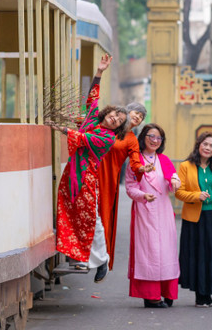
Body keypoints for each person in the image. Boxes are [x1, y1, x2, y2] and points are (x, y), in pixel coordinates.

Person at [52, 54, 129, 273]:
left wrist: (61, 129)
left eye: (119, 122)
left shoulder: (107, 138)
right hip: (72, 174)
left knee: (88, 217)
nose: (115, 119)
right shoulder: (94, 119)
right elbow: (92, 98)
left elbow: (84, 139)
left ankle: (96, 258)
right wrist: (100, 72)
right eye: (115, 115)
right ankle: (80, 257)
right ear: (109, 112)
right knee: (69, 212)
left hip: (85, 178)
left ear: (118, 128)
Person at [124, 123, 180, 308]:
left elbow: (173, 179)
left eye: (159, 138)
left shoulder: (163, 160)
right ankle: (151, 296)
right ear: (143, 138)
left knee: (166, 251)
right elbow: (130, 188)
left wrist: (175, 181)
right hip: (145, 210)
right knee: (149, 253)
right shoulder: (135, 161)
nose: (155, 141)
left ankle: (167, 292)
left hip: (164, 211)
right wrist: (142, 196)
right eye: (151, 136)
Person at [94, 101, 148, 280]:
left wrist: (140, 169)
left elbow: (135, 160)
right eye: (136, 113)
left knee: (103, 218)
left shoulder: (131, 139)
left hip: (108, 179)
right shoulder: (109, 127)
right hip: (91, 171)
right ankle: (80, 255)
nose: (137, 117)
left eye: (140, 117)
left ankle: (102, 258)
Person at [177, 131, 212, 308]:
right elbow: (179, 192)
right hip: (194, 219)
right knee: (197, 255)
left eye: (211, 146)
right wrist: (196, 195)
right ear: (198, 145)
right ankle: (200, 294)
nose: (207, 148)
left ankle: (208, 292)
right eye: (205, 144)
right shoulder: (186, 165)